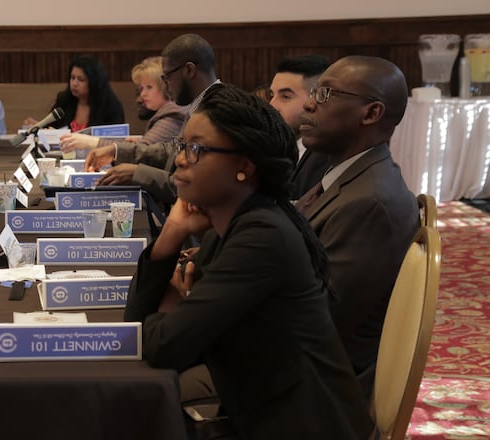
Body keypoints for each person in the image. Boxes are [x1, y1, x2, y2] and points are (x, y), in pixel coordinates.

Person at [124, 84, 373, 440]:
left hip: (301, 426)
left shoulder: (261, 236)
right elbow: (142, 331)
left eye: (196, 149)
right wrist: (170, 237)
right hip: (262, 412)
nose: (180, 159)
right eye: (182, 146)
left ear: (243, 166)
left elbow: (164, 345)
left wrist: (172, 313)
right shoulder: (237, 224)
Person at [296, 55, 420, 396]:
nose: (308, 104)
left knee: (160, 382)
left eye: (324, 94)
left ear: (371, 113)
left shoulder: (370, 203)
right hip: (301, 365)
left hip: (315, 390)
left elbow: (317, 324)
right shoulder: (348, 175)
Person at [83, 34, 222, 206]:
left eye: (167, 76)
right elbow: (171, 150)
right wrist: (116, 150)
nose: (167, 85)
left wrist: (137, 173)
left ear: (189, 70)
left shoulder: (217, 112)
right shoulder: (199, 105)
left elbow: (195, 187)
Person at [58, 56, 186, 152]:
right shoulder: (166, 112)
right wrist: (141, 140)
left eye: (149, 87)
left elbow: (141, 151)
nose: (142, 95)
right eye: (142, 88)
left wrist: (91, 142)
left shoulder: (172, 115)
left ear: (165, 86)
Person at [268, 54, 331, 199]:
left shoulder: (325, 157)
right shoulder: (278, 147)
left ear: (315, 99)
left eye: (285, 97)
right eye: (272, 95)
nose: (272, 105)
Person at [24, 55, 124, 131]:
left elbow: (114, 142)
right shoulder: (64, 101)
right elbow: (50, 129)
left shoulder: (111, 107)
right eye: (72, 78)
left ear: (94, 82)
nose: (74, 83)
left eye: (81, 79)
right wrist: (38, 127)